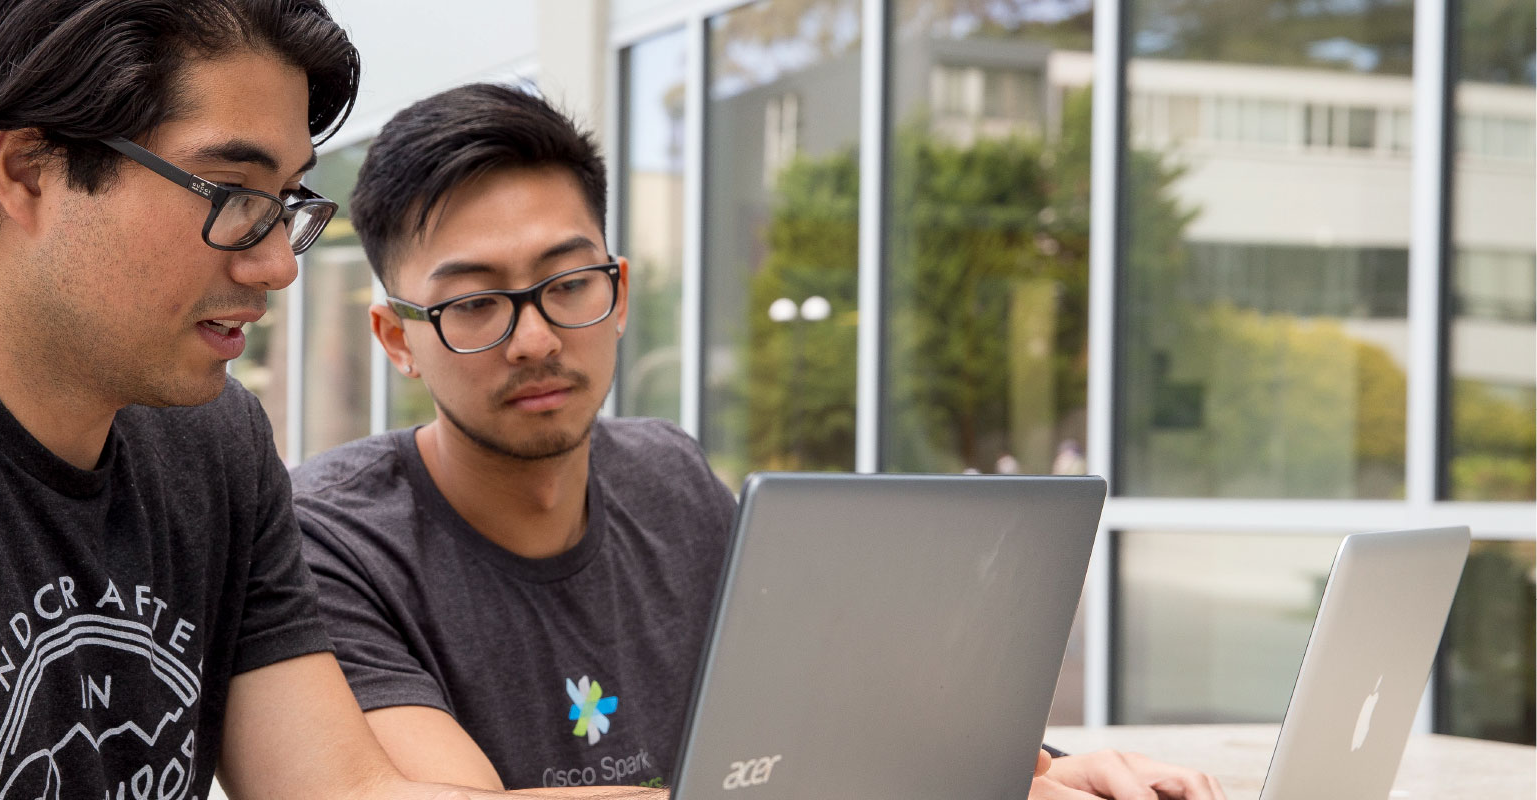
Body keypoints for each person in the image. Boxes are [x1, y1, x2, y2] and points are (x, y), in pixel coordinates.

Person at [0, 3, 655, 798]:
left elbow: (337, 787)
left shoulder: (210, 437)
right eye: (234, 197)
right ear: (28, 172)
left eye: (287, 204)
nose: (279, 263)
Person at [293, 83, 1228, 800]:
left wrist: (1048, 769)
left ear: (616, 291)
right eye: (473, 303)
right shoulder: (335, 539)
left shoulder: (668, 475)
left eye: (567, 282)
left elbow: (840, 695)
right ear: (397, 340)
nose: (535, 337)